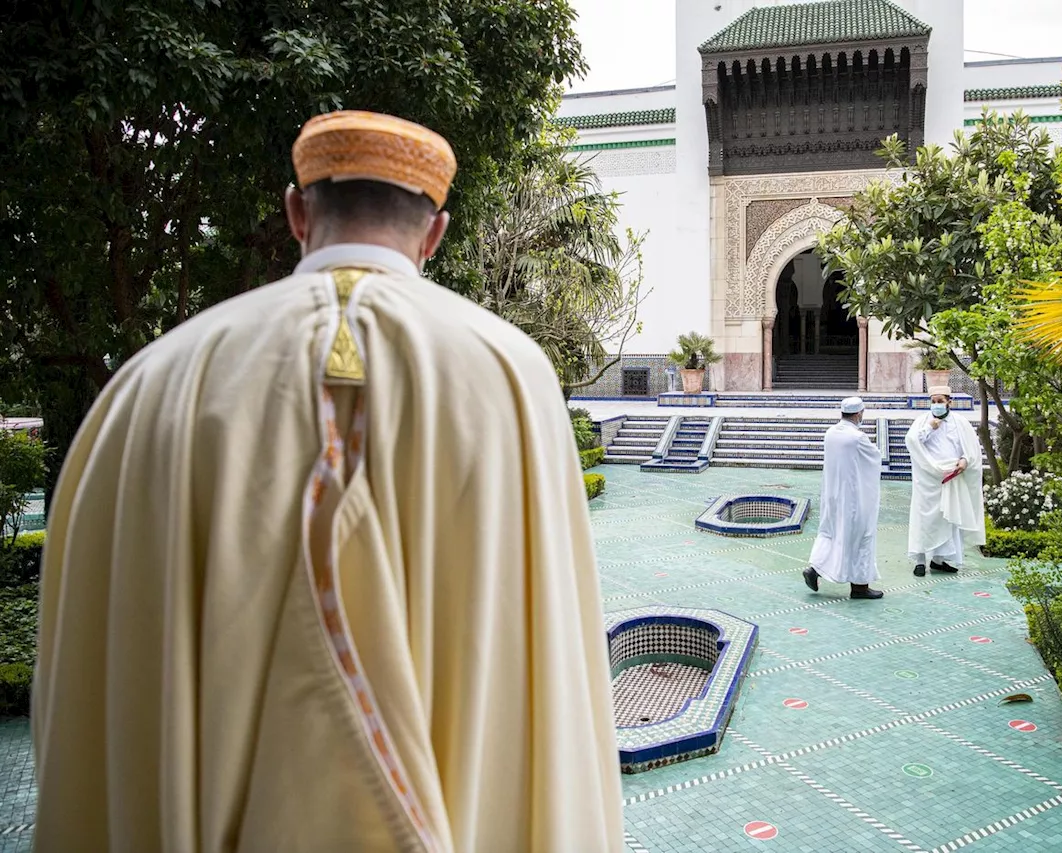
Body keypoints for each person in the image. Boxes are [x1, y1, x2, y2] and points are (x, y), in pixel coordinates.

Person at [32, 111, 624, 853]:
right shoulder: (512, 376)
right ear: (435, 233)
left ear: (295, 212)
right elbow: (552, 679)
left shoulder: (152, 384)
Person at [803, 396, 884, 599]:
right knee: (860, 537)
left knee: (831, 533)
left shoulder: (831, 433)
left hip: (833, 495)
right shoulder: (857, 437)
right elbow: (875, 458)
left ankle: (815, 569)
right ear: (859, 414)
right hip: (854, 498)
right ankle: (860, 587)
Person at [905, 384, 986, 577]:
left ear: (949, 402)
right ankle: (919, 560)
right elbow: (912, 442)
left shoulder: (960, 422)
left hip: (952, 477)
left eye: (940, 401)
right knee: (924, 518)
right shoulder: (922, 421)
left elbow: (972, 449)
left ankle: (939, 560)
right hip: (927, 480)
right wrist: (929, 428)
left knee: (948, 518)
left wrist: (965, 461)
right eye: (933, 402)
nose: (936, 405)